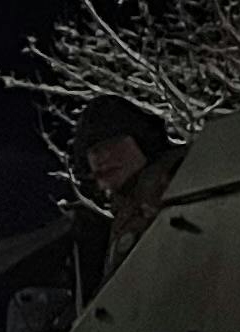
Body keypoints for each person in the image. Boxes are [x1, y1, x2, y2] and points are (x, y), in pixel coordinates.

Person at [69, 92, 179, 276]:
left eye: (113, 142)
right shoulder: (122, 213)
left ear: (142, 141)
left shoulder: (177, 190)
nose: (100, 158)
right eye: (92, 149)